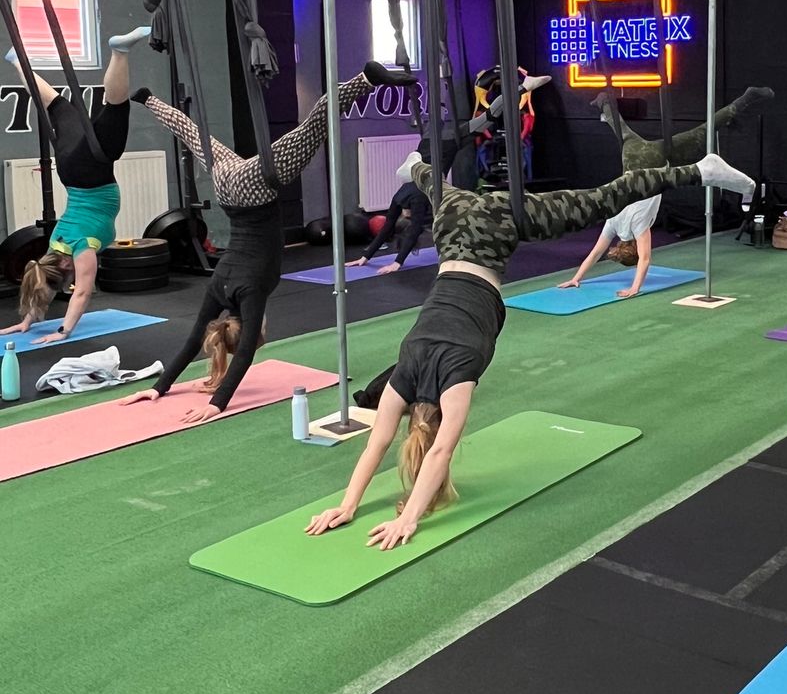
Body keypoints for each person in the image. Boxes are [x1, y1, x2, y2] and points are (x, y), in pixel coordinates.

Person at [306, 147, 754, 549]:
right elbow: (379, 443)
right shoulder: (401, 376)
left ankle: (701, 169)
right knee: (582, 197)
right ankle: (416, 165)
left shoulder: (458, 381)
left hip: (501, 228)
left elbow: (439, 451)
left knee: (601, 201)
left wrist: (409, 517)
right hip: (453, 221)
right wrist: (347, 505)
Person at [117, 65, 408, 423]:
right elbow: (193, 340)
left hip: (255, 187)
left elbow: (242, 358)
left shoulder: (253, 292)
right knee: (195, 137)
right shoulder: (219, 287)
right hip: (226, 186)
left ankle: (364, 80)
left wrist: (217, 403)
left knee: (314, 127)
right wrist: (159, 387)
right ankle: (149, 100)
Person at [2, 28, 149, 346]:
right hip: (69, 169)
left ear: (66, 265)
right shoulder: (55, 244)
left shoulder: (82, 250)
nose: (70, 279)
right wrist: (27, 321)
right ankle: (18, 62)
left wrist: (63, 331)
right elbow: (44, 281)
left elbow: (82, 291)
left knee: (116, 111)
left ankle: (119, 51)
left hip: (93, 169)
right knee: (58, 106)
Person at [559, 84, 774, 298]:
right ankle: (604, 100)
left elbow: (645, 259)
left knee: (702, 133)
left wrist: (635, 288)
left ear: (632, 247)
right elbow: (596, 253)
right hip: (632, 156)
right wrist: (576, 277)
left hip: (654, 163)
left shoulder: (638, 226)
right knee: (620, 128)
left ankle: (745, 101)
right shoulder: (613, 221)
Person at [350, 177, 432, 273]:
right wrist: (365, 257)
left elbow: (414, 231)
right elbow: (387, 227)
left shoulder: (416, 201)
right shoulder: (399, 198)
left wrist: (397, 263)